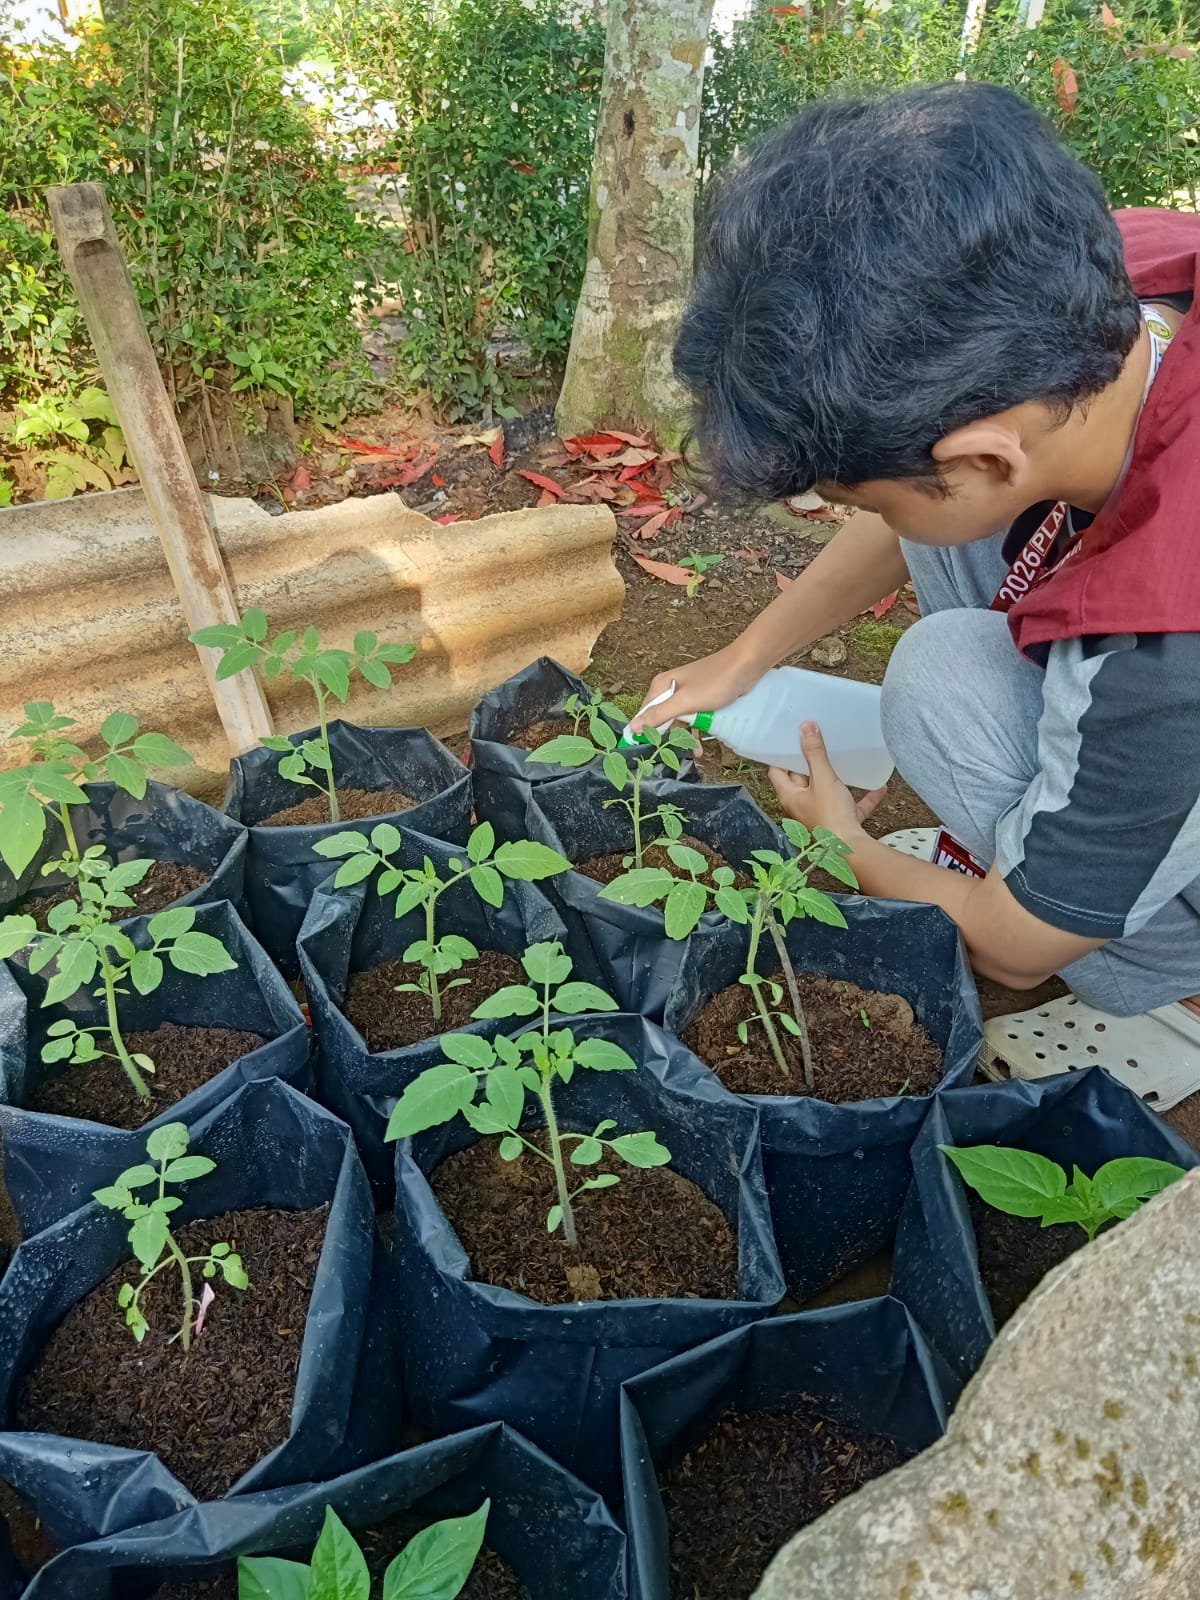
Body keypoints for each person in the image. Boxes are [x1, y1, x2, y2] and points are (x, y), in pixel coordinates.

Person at [635, 82, 1200, 1102]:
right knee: (945, 541)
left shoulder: (1166, 634)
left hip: (1162, 726)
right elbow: (923, 508)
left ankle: (1173, 994)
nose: (862, 515)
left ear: (986, 456)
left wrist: (844, 846)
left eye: (859, 499)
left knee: (940, 681)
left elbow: (1017, 948)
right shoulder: (1096, 283)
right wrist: (746, 656)